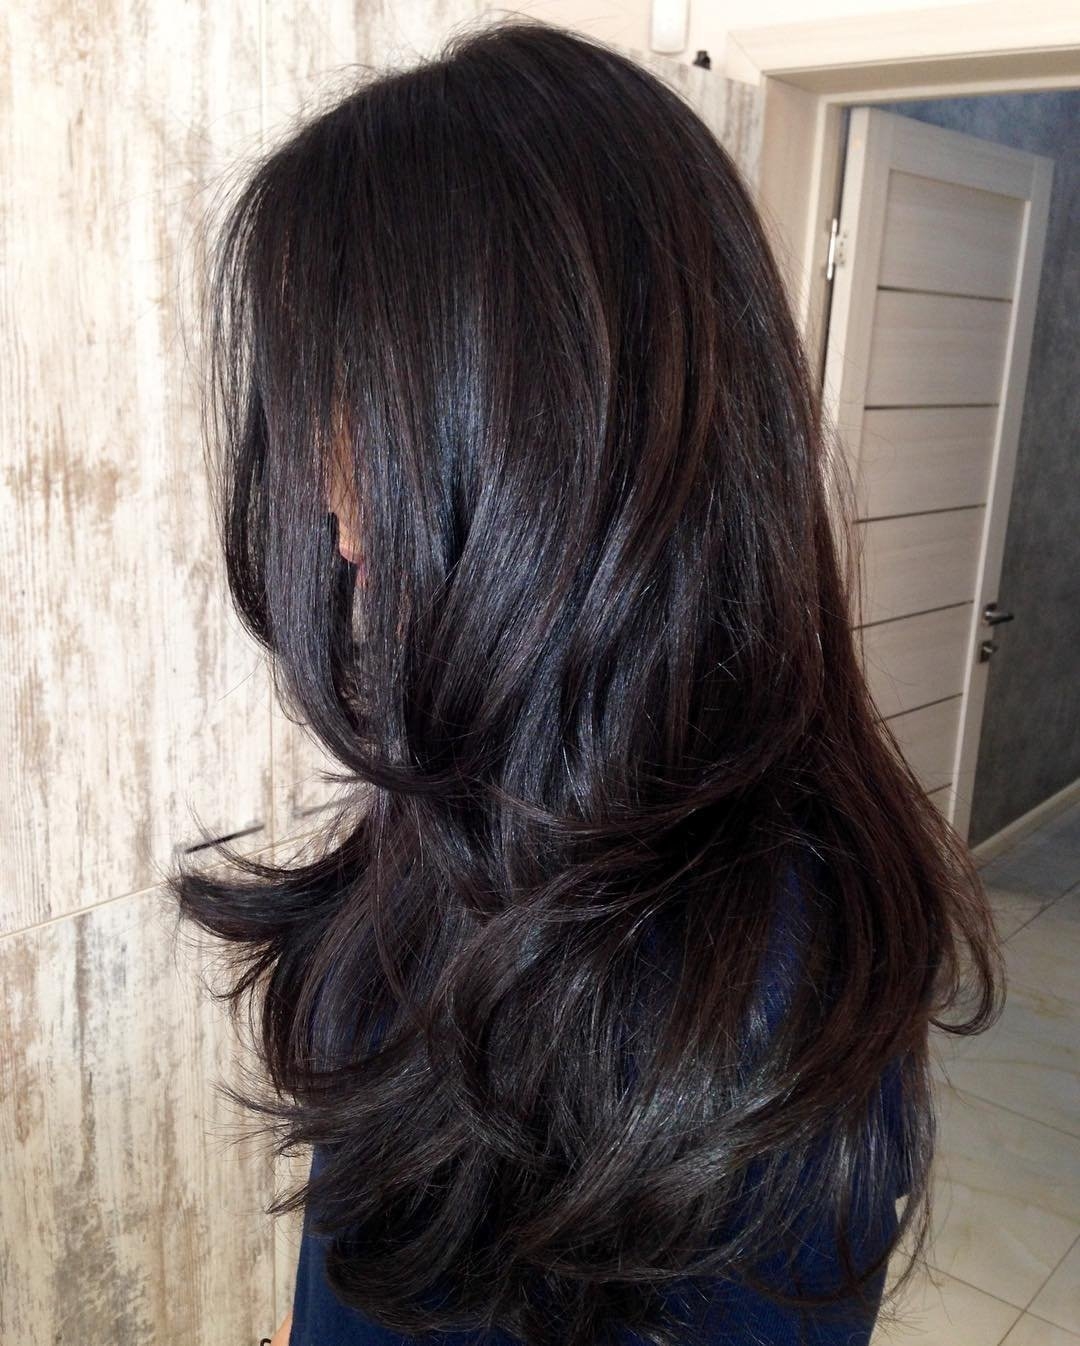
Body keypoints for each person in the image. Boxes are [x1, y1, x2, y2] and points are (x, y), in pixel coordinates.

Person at [168, 17, 1005, 1346]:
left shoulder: (751, 1004)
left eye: (357, 416)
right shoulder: (466, 813)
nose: (329, 505)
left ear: (542, 433)